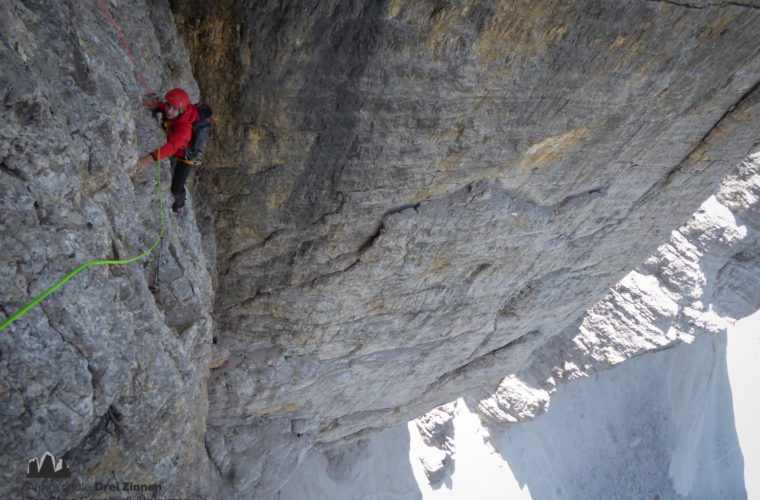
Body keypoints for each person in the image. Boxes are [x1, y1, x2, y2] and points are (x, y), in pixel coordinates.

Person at [136, 88, 199, 213]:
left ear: (182, 111)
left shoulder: (184, 128)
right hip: (176, 147)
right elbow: (166, 107)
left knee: (176, 188)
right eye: (168, 106)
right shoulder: (173, 111)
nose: (169, 110)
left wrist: (147, 159)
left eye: (174, 109)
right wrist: (156, 105)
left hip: (186, 156)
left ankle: (179, 204)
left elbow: (171, 147)